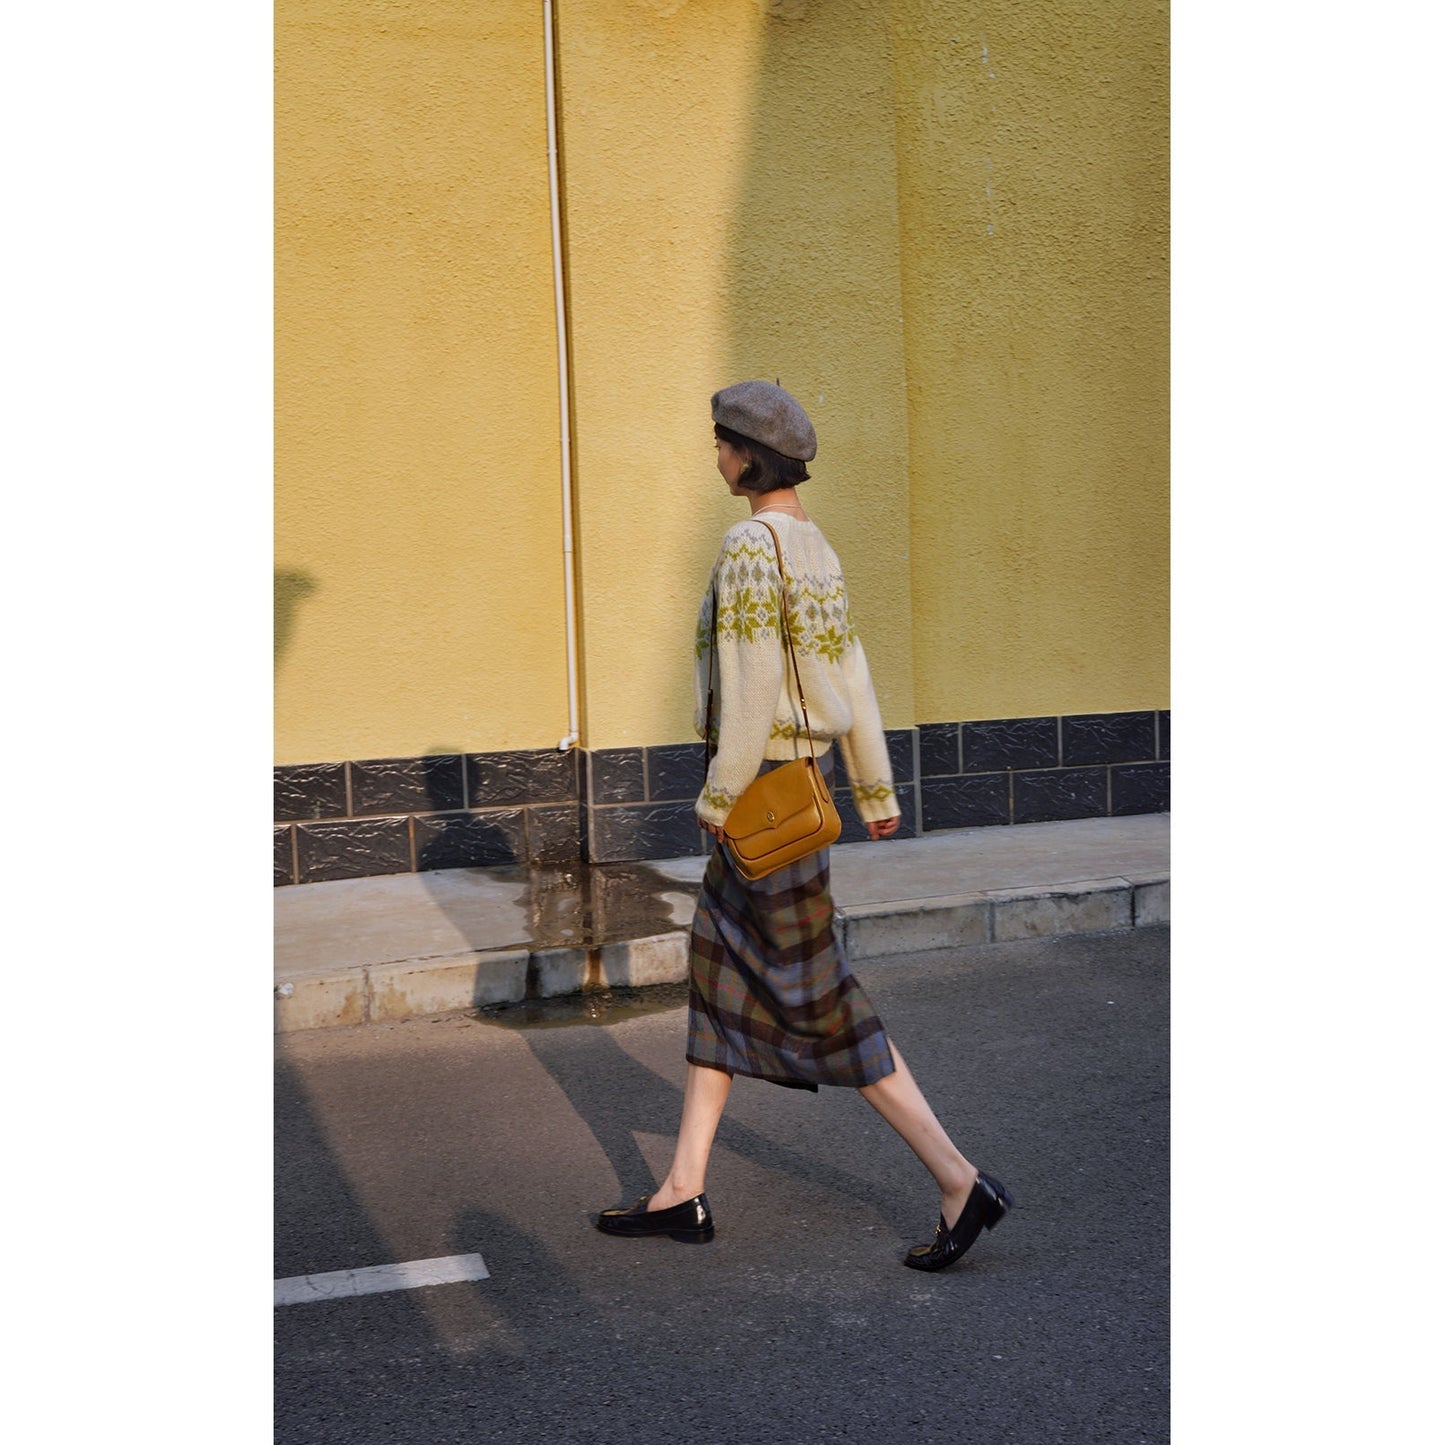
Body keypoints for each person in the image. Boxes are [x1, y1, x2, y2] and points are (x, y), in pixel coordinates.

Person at [593, 381, 1012, 1270]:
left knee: (823, 1005)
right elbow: (847, 672)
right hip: (801, 782)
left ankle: (955, 1177)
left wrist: (716, 798)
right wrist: (872, 786)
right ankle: (682, 1187)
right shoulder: (813, 545)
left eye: (720, 443)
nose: (714, 456)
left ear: (750, 454)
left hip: (764, 797)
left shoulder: (750, 545)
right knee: (718, 970)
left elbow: (748, 688)